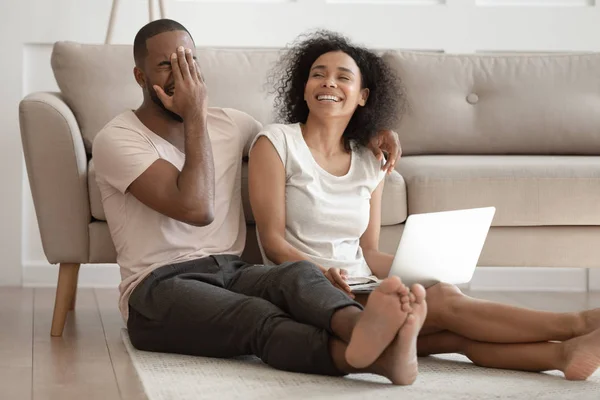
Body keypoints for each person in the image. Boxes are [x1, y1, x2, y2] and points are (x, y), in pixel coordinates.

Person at [248, 29, 600, 380]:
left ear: (362, 96)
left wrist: (423, 269)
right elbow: (274, 244)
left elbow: (368, 252)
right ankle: (577, 324)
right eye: (318, 74)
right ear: (304, 87)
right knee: (445, 303)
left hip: (365, 286)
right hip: (312, 296)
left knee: (453, 330)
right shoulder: (277, 142)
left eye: (343, 77)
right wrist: (322, 274)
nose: (328, 83)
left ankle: (564, 354)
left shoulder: (369, 160)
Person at [92, 18, 426, 386]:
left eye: (189, 60)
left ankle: (367, 329)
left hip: (231, 270)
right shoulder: (118, 138)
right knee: (257, 315)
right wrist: (195, 115)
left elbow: (298, 139)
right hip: (156, 289)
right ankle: (375, 363)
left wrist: (372, 130)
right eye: (166, 65)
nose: (183, 74)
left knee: (299, 275)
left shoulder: (234, 124)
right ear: (140, 77)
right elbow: (196, 208)